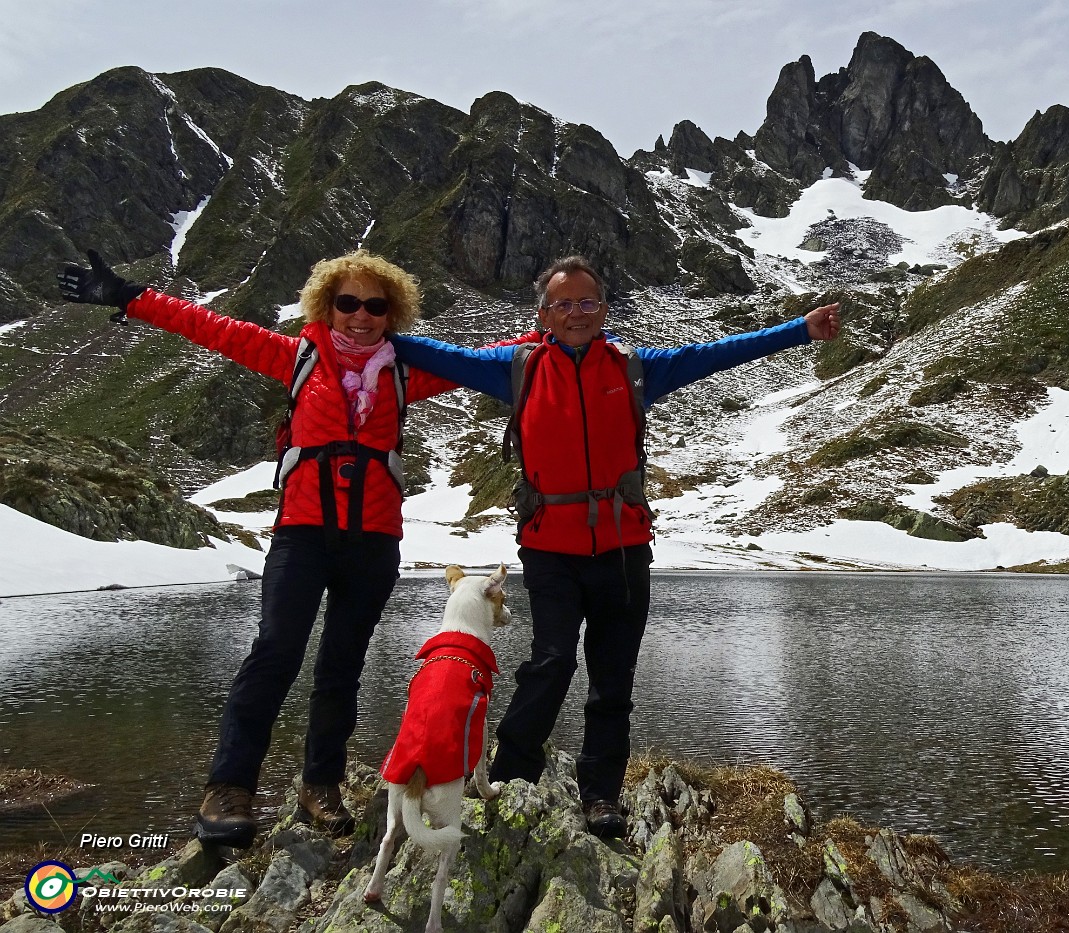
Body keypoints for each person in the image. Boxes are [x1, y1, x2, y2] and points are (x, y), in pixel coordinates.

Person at [387, 255, 840, 837]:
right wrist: (373, 331)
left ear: (604, 309)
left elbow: (715, 354)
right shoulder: (517, 368)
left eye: (587, 301)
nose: (576, 312)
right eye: (563, 303)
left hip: (624, 551)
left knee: (613, 679)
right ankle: (512, 772)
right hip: (550, 549)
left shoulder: (632, 368)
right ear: (543, 314)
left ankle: (600, 793)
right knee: (550, 662)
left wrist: (799, 330)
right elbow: (437, 355)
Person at [56, 248, 470, 848]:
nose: (360, 316)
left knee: (342, 667)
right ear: (326, 306)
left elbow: (491, 364)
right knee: (275, 652)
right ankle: (229, 790)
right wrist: (127, 296)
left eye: (374, 305)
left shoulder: (409, 372)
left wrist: (555, 326)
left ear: (391, 312)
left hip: (374, 541)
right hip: (302, 533)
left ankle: (320, 787)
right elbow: (211, 328)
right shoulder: (298, 358)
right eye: (346, 303)